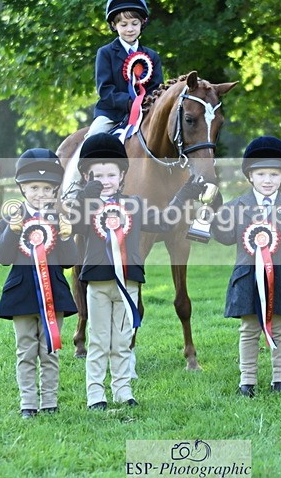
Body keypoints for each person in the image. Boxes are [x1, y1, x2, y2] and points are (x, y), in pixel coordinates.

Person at [69, 134, 204, 410]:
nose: (106, 181)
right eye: (98, 176)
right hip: (98, 285)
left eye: (111, 175)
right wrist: (83, 198)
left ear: (122, 176)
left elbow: (165, 223)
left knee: (121, 341)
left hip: (128, 284)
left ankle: (122, 390)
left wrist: (183, 195)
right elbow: (76, 225)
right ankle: (96, 394)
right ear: (86, 177)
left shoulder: (135, 205)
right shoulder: (88, 208)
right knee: (98, 341)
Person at [210, 136, 281, 397]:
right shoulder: (236, 206)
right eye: (261, 174)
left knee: (279, 328)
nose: (268, 180)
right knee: (248, 329)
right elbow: (225, 237)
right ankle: (247, 380)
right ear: (250, 176)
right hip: (247, 277)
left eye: (274, 174)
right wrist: (213, 218)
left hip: (280, 277)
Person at [0, 148, 78, 418]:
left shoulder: (59, 218)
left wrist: (66, 237)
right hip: (21, 295)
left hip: (54, 295)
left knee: (50, 350)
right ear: (22, 188)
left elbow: (69, 262)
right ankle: (28, 403)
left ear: (55, 191)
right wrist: (12, 230)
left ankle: (50, 402)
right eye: (33, 188)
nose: (40, 194)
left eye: (46, 188)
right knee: (26, 351)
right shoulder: (12, 217)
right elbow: (2, 257)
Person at [86, 0, 164, 137]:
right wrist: (129, 102)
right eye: (123, 24)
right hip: (111, 114)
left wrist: (145, 103)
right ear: (114, 25)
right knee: (94, 137)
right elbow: (105, 89)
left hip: (146, 112)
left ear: (143, 22)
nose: (130, 29)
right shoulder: (105, 53)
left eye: (134, 23)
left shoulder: (152, 56)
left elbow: (157, 88)